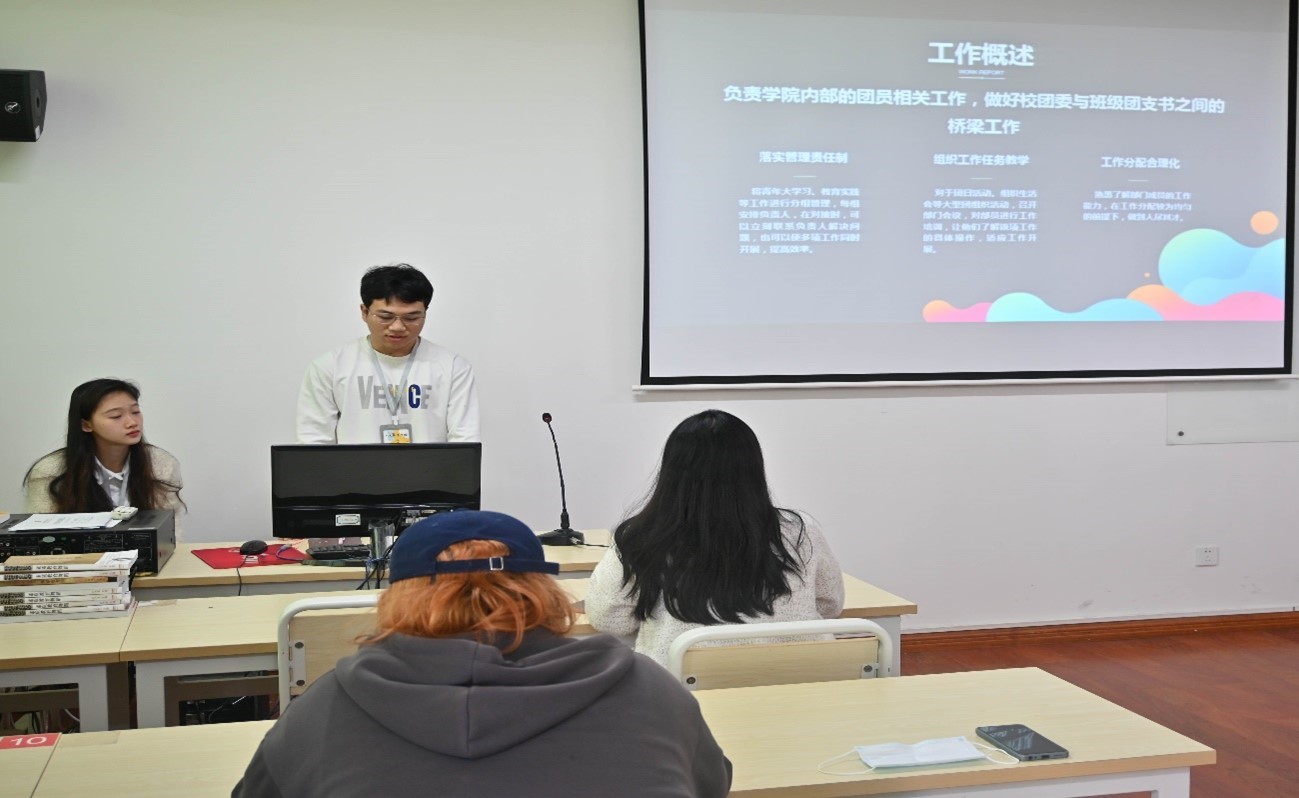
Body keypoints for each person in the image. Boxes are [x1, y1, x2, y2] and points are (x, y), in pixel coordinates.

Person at [232, 510, 731, 798]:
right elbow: (712, 784)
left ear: (397, 597)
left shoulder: (324, 710)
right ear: (543, 590)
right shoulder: (650, 692)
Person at [585, 409, 844, 666]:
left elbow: (610, 619)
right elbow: (830, 603)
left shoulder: (640, 536)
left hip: (684, 686)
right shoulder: (801, 529)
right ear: (754, 469)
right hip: (808, 681)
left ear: (672, 473)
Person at [296, 263, 480, 444]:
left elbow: (465, 440)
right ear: (364, 312)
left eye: (411, 317)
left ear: (425, 313)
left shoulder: (453, 367)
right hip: (354, 466)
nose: (398, 327)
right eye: (385, 317)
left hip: (430, 466)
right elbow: (313, 441)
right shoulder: (330, 366)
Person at [23, 378, 185, 535]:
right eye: (116, 416)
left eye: (135, 412)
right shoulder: (50, 471)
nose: (132, 422)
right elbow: (38, 536)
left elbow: (171, 533)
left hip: (147, 553)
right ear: (86, 425)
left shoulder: (161, 464)